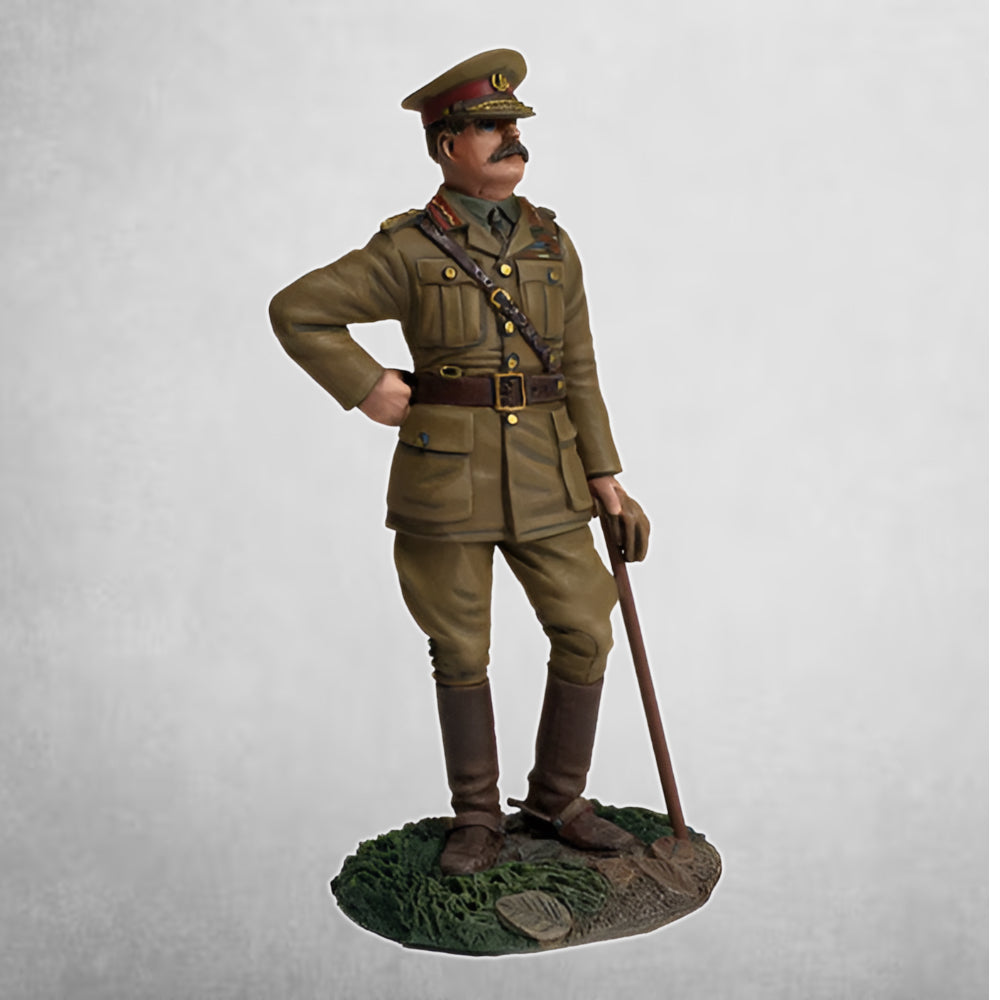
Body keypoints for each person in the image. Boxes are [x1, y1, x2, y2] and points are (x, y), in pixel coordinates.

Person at [269, 49, 649, 875]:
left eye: (514, 125)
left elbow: (578, 367)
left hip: (547, 472)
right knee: (461, 646)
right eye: (490, 127)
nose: (512, 138)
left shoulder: (552, 242)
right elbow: (298, 310)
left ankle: (558, 800)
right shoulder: (409, 249)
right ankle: (477, 816)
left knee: (587, 627)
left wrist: (605, 476)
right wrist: (365, 384)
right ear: (447, 145)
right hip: (447, 479)